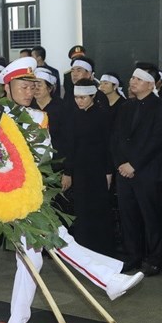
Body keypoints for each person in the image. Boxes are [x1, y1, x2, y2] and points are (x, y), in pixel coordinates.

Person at [3, 58, 144, 323]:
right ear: (8, 87)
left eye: (32, 86)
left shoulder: (38, 118)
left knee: (32, 261)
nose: (29, 91)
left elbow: (42, 157)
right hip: (8, 197)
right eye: (22, 86)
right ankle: (107, 279)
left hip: (32, 194)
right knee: (58, 240)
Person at [110, 64, 162, 276]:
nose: (132, 81)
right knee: (128, 216)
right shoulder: (126, 106)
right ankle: (132, 256)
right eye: (132, 78)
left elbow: (156, 140)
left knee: (151, 217)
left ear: (149, 83)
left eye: (137, 79)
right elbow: (116, 137)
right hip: (124, 171)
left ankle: (155, 259)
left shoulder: (161, 107)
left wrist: (134, 164)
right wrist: (120, 163)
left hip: (147, 171)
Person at [63, 79, 113, 255]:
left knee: (98, 210)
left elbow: (108, 146)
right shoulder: (73, 116)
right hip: (79, 169)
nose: (79, 101)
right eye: (77, 97)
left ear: (93, 95)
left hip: (98, 169)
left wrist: (108, 172)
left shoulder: (103, 116)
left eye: (83, 97)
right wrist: (68, 172)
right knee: (81, 211)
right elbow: (70, 146)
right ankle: (83, 250)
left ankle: (101, 251)